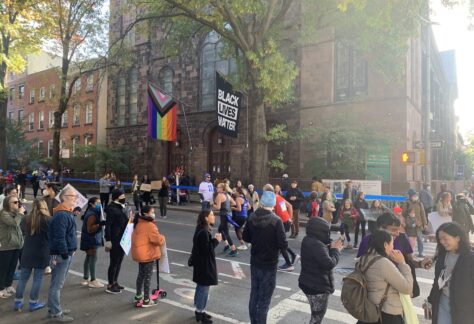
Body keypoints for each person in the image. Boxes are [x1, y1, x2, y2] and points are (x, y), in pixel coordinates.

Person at [357, 213, 432, 299]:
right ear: (380, 228)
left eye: (399, 229)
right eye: (393, 230)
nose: (397, 233)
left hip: (398, 292)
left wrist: (420, 263)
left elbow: (409, 261)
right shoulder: (368, 240)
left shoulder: (402, 238)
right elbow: (360, 266)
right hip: (374, 292)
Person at [243, 185, 288, 324]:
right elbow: (283, 244)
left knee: (254, 293)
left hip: (255, 260)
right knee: (265, 299)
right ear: (273, 204)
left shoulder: (251, 217)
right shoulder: (276, 221)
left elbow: (246, 237)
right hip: (270, 263)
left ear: (261, 202)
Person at [357, 230, 413, 324]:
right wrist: (402, 263)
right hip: (387, 311)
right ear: (385, 245)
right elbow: (407, 288)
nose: (393, 247)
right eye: (392, 244)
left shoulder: (364, 258)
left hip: (370, 308)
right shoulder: (383, 263)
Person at [426, 222, 474, 324]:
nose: (442, 242)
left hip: (464, 308)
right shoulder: (442, 257)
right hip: (443, 302)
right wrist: (430, 300)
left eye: (445, 238)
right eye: (440, 239)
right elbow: (438, 282)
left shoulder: (470, 258)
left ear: (457, 238)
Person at [299, 216, 343, 324]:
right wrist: (335, 250)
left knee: (315, 314)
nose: (328, 234)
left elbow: (318, 255)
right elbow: (329, 263)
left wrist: (330, 247)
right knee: (317, 317)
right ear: (320, 231)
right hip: (317, 287)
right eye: (326, 232)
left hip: (308, 283)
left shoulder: (308, 240)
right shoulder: (317, 245)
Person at [14, 199, 51, 311]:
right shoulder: (48, 220)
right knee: (37, 278)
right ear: (44, 207)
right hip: (42, 252)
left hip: (27, 251)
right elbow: (51, 236)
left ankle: (17, 302)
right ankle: (33, 302)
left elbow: (23, 231)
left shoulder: (26, 218)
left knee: (23, 278)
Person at [47, 188, 78, 322]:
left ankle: (53, 307)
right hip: (61, 254)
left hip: (64, 253)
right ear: (64, 197)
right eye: (73, 196)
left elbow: (67, 234)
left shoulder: (66, 213)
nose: (76, 199)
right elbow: (59, 237)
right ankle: (56, 312)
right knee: (57, 285)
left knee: (57, 284)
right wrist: (65, 253)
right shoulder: (62, 215)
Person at [191, 210, 222, 323]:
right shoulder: (204, 231)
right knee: (204, 289)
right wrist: (216, 240)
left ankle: (200, 311)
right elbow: (206, 250)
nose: (214, 217)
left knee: (201, 287)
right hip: (204, 265)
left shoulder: (201, 228)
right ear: (206, 218)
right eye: (212, 215)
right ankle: (200, 312)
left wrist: (213, 240)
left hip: (200, 264)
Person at [131, 206, 165, 307]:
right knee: (148, 277)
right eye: (152, 212)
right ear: (146, 214)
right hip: (148, 254)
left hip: (140, 253)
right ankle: (146, 300)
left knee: (141, 275)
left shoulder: (138, 223)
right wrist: (163, 237)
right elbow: (157, 240)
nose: (154, 214)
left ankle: (138, 296)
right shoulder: (150, 225)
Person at [0, 195, 25, 299]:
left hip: (16, 245)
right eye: (14, 202)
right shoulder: (3, 213)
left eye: (18, 202)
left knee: (12, 267)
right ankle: (1, 289)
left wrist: (20, 213)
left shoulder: (15, 213)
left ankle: (8, 285)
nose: (17, 204)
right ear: (8, 204)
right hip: (6, 245)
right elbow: (14, 223)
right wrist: (20, 213)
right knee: (3, 268)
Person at [104, 189, 129, 294]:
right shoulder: (111, 209)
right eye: (122, 195)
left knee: (119, 262)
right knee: (114, 262)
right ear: (117, 197)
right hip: (115, 239)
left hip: (123, 239)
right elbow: (108, 225)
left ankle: (115, 281)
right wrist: (108, 240)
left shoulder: (122, 207)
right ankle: (110, 284)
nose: (124, 197)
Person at [80, 197, 105, 288]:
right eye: (97, 203)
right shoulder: (92, 214)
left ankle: (85, 278)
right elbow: (90, 229)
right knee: (93, 258)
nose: (99, 204)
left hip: (88, 239)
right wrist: (100, 225)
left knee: (88, 257)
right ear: (92, 204)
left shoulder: (91, 212)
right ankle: (93, 280)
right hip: (91, 239)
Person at [273, 185, 299, 271]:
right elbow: (290, 206)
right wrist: (290, 218)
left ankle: (289, 263)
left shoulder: (272, 199)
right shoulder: (279, 197)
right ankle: (293, 256)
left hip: (283, 222)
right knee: (280, 241)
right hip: (286, 221)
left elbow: (271, 212)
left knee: (280, 243)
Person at [212, 183, 238, 257]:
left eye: (218, 187)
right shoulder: (227, 195)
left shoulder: (220, 195)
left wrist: (212, 204)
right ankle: (227, 246)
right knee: (220, 229)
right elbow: (234, 203)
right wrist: (227, 206)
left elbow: (218, 207)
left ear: (222, 188)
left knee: (226, 233)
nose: (216, 188)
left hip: (224, 215)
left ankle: (234, 249)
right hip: (229, 214)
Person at [402, 189, 428, 257]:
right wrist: (405, 221)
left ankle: (420, 252)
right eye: (414, 195)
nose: (415, 196)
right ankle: (409, 253)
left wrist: (425, 224)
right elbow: (403, 214)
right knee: (410, 240)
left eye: (416, 195)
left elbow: (423, 214)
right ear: (410, 196)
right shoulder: (406, 203)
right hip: (410, 224)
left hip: (419, 225)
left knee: (420, 240)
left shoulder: (420, 203)